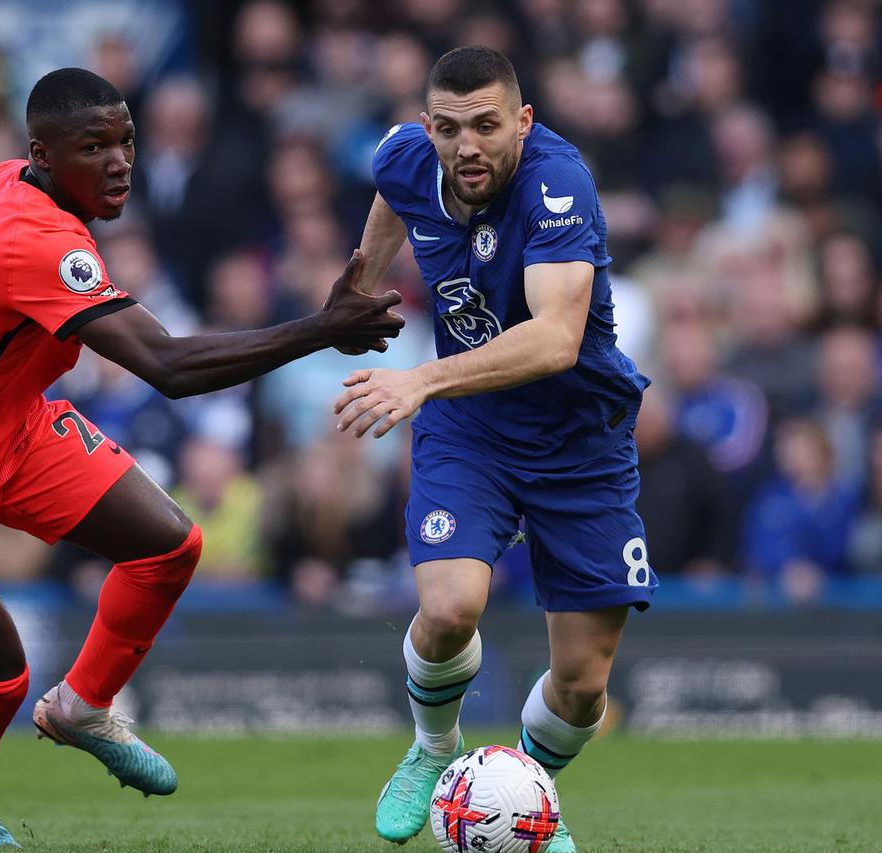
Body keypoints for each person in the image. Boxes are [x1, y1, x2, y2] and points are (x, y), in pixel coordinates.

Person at [0, 67, 403, 847]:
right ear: (43, 154)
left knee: (170, 543)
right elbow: (167, 367)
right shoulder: (33, 238)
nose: (119, 161)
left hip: (8, 427)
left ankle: (84, 706)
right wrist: (320, 327)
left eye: (127, 140)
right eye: (94, 146)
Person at [330, 47, 653, 852]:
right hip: (472, 425)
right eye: (448, 128)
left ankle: (527, 792)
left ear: (523, 121)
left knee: (582, 687)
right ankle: (435, 751)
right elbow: (393, 192)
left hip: (580, 437)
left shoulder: (556, 183)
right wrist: (363, 278)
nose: (466, 146)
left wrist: (420, 380)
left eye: (485, 126)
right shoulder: (408, 155)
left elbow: (554, 339)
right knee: (447, 609)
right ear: (426, 125)